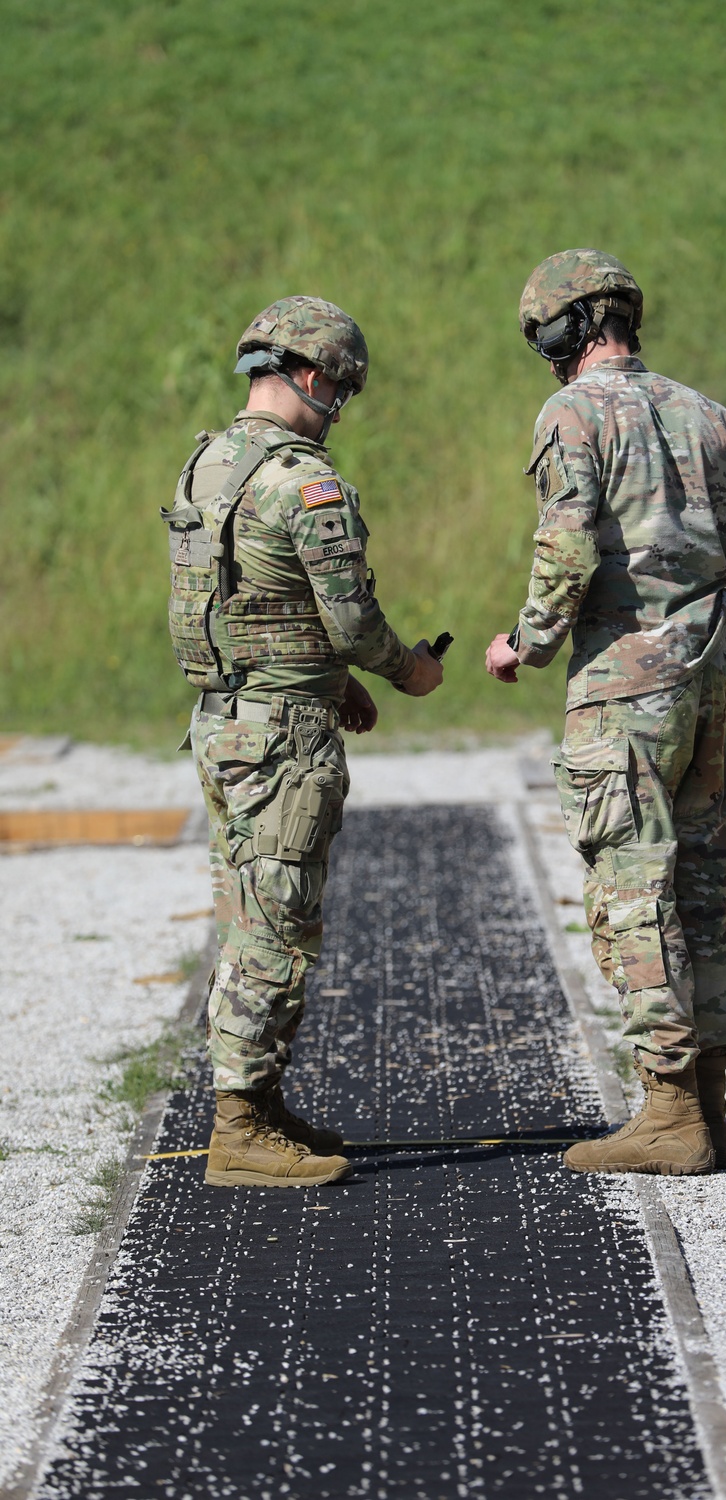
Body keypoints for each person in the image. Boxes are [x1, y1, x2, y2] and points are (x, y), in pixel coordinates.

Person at [485, 250, 726, 1175]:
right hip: (704, 679)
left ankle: (667, 1110)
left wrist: (525, 644)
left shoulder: (571, 413)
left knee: (633, 886)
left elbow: (567, 552)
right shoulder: (705, 412)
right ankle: (711, 1104)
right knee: (699, 888)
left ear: (563, 332)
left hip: (624, 687)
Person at [163, 295, 443, 1188]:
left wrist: (335, 682)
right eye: (343, 392)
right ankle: (240, 1129)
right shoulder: (306, 484)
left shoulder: (206, 466)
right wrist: (407, 672)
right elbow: (354, 622)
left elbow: (246, 608)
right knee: (278, 924)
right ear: (316, 377)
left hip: (224, 721)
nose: (339, 409)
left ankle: (262, 1104)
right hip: (283, 740)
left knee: (249, 910)